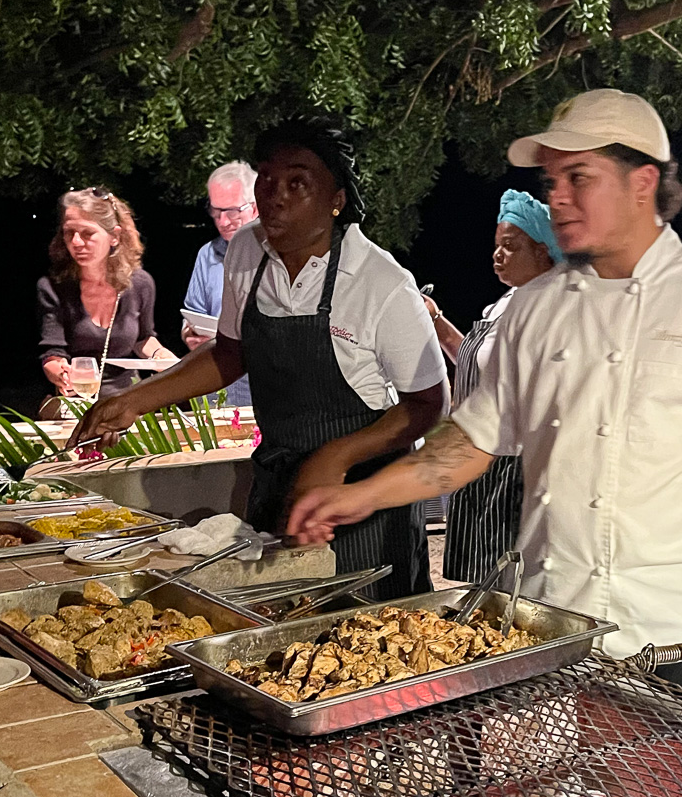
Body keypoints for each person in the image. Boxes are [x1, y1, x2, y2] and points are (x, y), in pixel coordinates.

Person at [287, 90, 682, 703]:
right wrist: (362, 495)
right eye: (552, 179)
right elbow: (470, 443)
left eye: (578, 177)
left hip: (677, 637)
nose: (556, 196)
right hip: (545, 630)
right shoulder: (533, 309)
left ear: (643, 182)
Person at [69, 119, 448, 600]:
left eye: (297, 183)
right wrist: (137, 400)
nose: (276, 196)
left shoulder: (379, 280)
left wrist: (336, 456)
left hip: (365, 498)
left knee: (369, 637)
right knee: (278, 622)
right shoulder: (248, 249)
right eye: (266, 180)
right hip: (279, 478)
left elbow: (428, 402)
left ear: (337, 199)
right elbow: (231, 351)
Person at [427, 190, 563, 583]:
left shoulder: (550, 310)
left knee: (507, 584)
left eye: (510, 246)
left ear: (543, 251)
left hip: (512, 466)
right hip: (480, 458)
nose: (498, 255)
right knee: (479, 583)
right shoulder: (506, 303)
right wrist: (435, 321)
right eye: (496, 245)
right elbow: (473, 361)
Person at [38, 187, 174, 403]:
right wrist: (62, 374)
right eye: (69, 233)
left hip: (129, 402)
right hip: (78, 405)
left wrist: (161, 356)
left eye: (87, 233)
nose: (76, 242)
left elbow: (143, 338)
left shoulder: (139, 284)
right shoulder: (54, 287)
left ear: (114, 236)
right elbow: (52, 353)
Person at [181, 161, 257, 407]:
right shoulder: (207, 254)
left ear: (254, 208)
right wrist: (190, 336)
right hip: (214, 389)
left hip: (262, 391)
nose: (223, 221)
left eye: (232, 211)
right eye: (216, 212)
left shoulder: (279, 253)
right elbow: (192, 315)